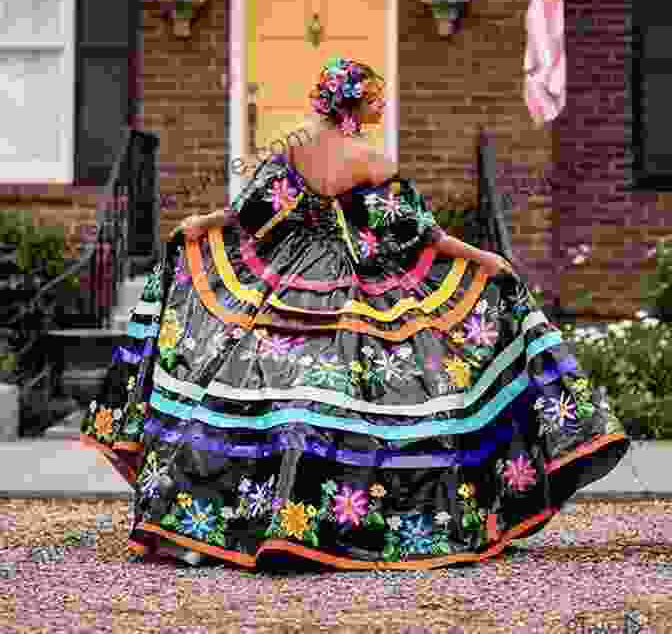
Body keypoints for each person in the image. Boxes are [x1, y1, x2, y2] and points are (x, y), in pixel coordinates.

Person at [80, 56, 630, 570]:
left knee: (268, 387)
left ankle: (233, 523)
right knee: (371, 393)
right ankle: (336, 522)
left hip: (289, 274)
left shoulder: (296, 148)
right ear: (354, 103)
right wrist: (483, 257)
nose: (382, 107)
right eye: (375, 98)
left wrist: (203, 222)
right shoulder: (371, 160)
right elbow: (416, 234)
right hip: (348, 279)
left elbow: (252, 211)